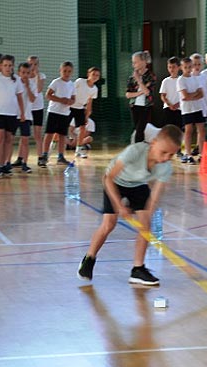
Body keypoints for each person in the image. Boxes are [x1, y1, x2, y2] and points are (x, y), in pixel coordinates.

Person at [77, 124, 182, 286]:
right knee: (108, 224)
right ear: (153, 143)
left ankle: (138, 269)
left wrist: (147, 216)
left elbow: (154, 197)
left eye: (171, 154)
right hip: (116, 181)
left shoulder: (165, 167)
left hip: (138, 184)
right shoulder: (135, 151)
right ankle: (89, 259)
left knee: (145, 226)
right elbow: (108, 179)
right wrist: (119, 206)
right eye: (163, 152)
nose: (166, 157)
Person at [0, 55, 25, 177]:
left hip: (12, 114)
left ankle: (5, 164)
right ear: (1, 66)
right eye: (5, 65)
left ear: (13, 66)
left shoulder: (17, 80)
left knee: (9, 140)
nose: (7, 68)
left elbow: (19, 97)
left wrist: (22, 113)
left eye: (10, 65)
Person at [40, 61, 75, 167]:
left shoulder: (71, 84)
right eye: (64, 71)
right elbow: (48, 95)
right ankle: (45, 155)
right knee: (49, 134)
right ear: (60, 71)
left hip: (65, 113)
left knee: (62, 135)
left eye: (69, 71)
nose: (67, 73)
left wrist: (70, 101)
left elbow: (73, 98)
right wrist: (60, 100)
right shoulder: (56, 82)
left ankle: (61, 156)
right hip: (54, 111)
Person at [177, 57, 205, 165]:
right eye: (185, 67)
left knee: (201, 130)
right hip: (187, 109)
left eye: (189, 67)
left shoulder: (195, 78)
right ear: (181, 68)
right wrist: (194, 94)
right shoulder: (181, 80)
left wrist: (191, 96)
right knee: (189, 130)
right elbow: (185, 96)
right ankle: (188, 154)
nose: (188, 69)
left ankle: (202, 154)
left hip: (197, 107)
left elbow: (201, 93)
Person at [126, 51, 156, 143]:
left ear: (143, 62)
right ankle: (141, 147)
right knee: (138, 129)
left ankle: (137, 148)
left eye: (135, 62)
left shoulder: (151, 76)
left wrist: (139, 80)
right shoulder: (132, 77)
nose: (133, 65)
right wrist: (139, 93)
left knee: (140, 129)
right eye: (133, 62)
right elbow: (128, 94)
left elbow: (147, 92)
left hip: (146, 107)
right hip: (134, 106)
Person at [71, 66, 100, 158]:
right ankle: (50, 150)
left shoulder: (95, 89)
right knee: (60, 129)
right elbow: (71, 91)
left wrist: (87, 115)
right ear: (88, 74)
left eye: (97, 75)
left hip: (79, 108)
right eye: (93, 74)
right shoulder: (80, 81)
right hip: (69, 106)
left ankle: (78, 150)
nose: (95, 76)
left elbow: (89, 102)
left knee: (83, 128)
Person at [13, 62, 36, 173]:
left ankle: (25, 163)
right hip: (13, 115)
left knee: (25, 140)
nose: (25, 75)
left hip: (26, 116)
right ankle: (7, 163)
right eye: (23, 72)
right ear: (19, 73)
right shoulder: (14, 82)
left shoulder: (32, 84)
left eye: (27, 73)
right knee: (9, 140)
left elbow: (32, 99)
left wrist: (27, 86)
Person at [159, 56, 182, 129]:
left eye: (174, 67)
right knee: (168, 129)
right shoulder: (165, 81)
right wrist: (170, 105)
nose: (172, 69)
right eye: (170, 67)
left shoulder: (182, 80)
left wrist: (178, 104)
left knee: (179, 129)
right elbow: (163, 96)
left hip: (180, 108)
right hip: (168, 108)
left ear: (179, 67)